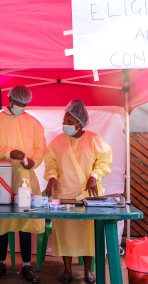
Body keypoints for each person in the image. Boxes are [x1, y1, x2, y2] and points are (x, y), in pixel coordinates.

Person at [44, 99, 112, 284]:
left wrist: (95, 176)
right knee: (65, 233)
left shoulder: (94, 139)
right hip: (64, 194)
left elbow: (104, 162)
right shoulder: (57, 142)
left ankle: (88, 270)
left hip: (87, 195)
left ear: (80, 123)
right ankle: (67, 270)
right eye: (64, 121)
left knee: (87, 234)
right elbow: (50, 163)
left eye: (69, 122)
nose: (65, 125)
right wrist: (51, 177)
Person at [0, 85, 46, 283]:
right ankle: (0, 262)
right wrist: (9, 152)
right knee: (1, 220)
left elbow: (40, 148)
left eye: (25, 104)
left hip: (25, 176)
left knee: (25, 221)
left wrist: (34, 160)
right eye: (18, 103)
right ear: (10, 100)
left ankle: (27, 265)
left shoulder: (34, 123)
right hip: (2, 176)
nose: (21, 107)